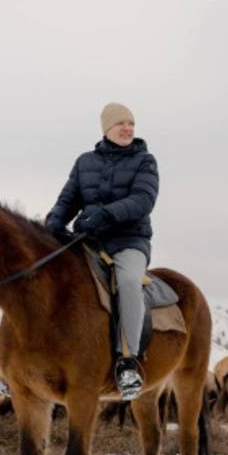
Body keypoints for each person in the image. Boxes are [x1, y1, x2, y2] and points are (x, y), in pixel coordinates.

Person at [45, 103, 159, 400]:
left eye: (131, 124)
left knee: (130, 283)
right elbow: (67, 200)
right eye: (121, 123)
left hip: (129, 241)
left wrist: (105, 215)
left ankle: (128, 363)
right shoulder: (85, 162)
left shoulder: (145, 161)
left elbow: (143, 200)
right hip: (89, 241)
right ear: (106, 129)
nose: (128, 128)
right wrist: (53, 224)